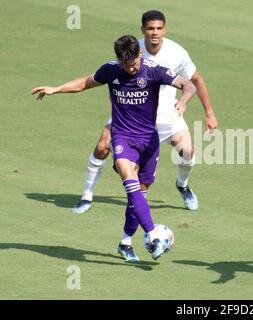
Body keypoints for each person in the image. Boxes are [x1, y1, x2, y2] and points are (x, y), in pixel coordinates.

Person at [32, 35, 197, 261]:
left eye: (134, 63)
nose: (131, 68)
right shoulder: (111, 70)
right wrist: (56, 89)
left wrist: (183, 100)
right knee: (129, 183)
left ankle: (125, 243)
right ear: (119, 60)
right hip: (122, 138)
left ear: (140, 54)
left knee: (139, 195)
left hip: (149, 141)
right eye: (126, 65)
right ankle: (153, 234)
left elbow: (188, 85)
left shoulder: (154, 70)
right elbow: (84, 83)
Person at [72, 10, 218, 214]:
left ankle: (182, 186)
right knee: (102, 146)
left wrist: (208, 112)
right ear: (143, 30)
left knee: (187, 152)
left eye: (159, 28)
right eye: (150, 29)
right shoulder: (132, 48)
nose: (155, 33)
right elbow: (111, 71)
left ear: (164, 29)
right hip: (130, 112)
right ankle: (86, 196)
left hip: (167, 112)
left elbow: (196, 81)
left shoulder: (177, 52)